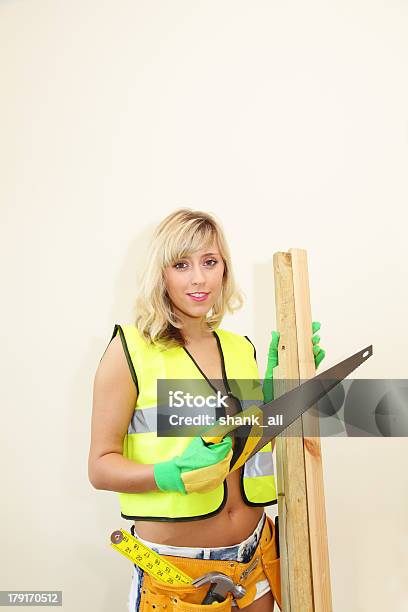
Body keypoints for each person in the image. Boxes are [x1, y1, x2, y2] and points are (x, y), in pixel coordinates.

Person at [88, 208, 325, 612]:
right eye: (182, 264)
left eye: (210, 262)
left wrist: (277, 400)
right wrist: (169, 474)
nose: (198, 278)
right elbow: (100, 466)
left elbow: (245, 451)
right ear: (161, 274)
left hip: (255, 562)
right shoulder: (130, 350)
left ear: (224, 271)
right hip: (179, 579)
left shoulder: (240, 349)